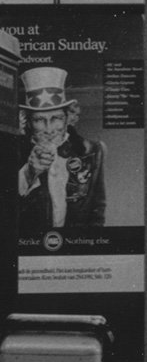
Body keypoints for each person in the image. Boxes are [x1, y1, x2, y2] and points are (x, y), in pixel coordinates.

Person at [17, 66, 106, 237]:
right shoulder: (11, 153)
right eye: (39, 120)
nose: (49, 129)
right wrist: (30, 173)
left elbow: (97, 210)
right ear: (27, 122)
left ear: (69, 117)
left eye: (56, 118)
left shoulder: (93, 150)